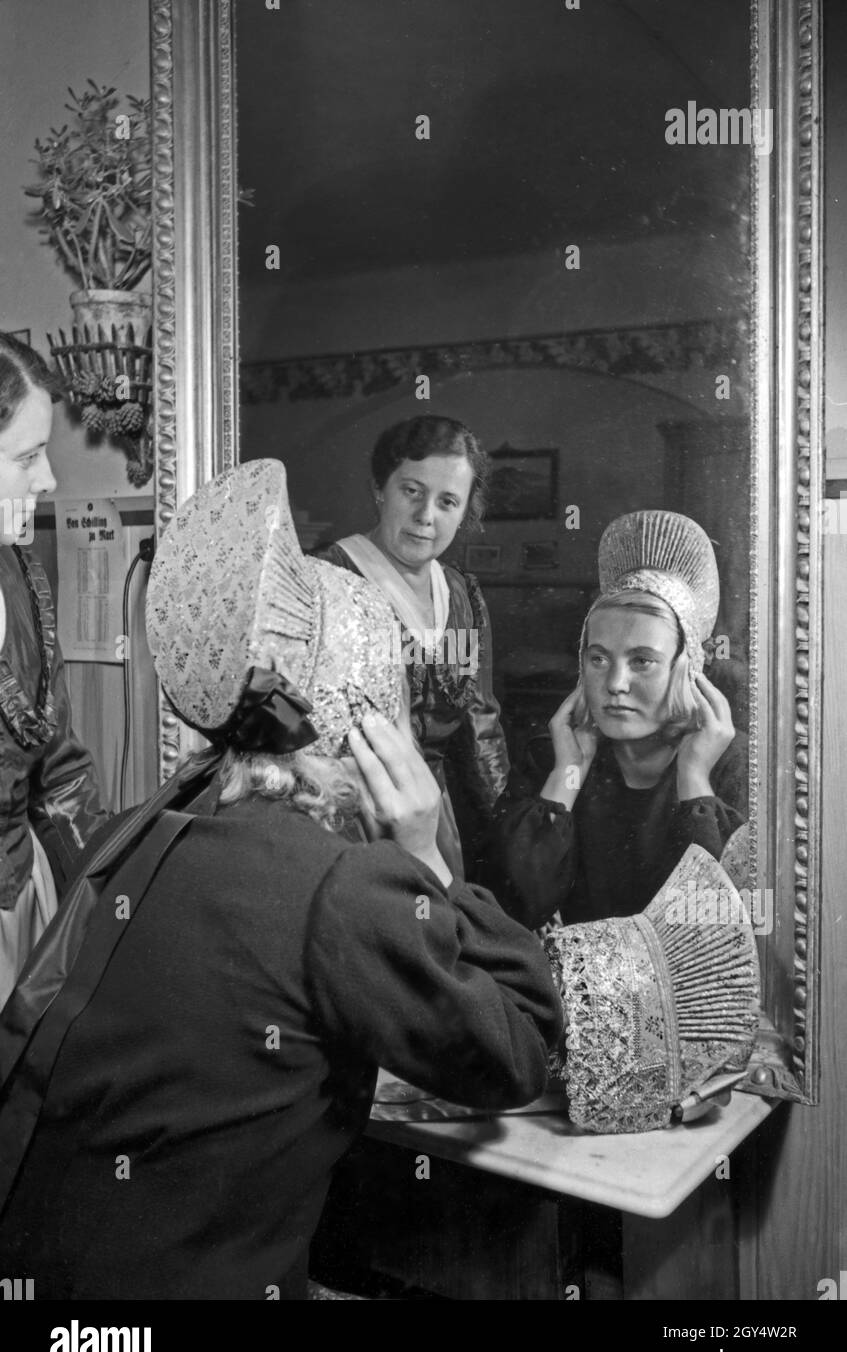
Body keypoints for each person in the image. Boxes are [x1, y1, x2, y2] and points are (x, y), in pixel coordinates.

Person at [0, 457, 562, 1300]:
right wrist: (430, 862)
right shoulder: (344, 887)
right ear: (369, 731)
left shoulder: (142, 824)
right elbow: (518, 1051)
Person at [486, 510, 747, 930]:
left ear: (687, 669)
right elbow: (512, 913)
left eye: (642, 660)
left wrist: (694, 776)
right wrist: (566, 777)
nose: (615, 684)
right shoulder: (550, 758)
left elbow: (720, 935)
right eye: (599, 658)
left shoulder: (735, 764)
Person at [317, 414, 509, 880]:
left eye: (447, 501)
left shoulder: (460, 596)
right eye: (412, 491)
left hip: (437, 818)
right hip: (349, 819)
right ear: (380, 489)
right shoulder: (329, 577)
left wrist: (506, 833)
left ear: (465, 512)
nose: (426, 516)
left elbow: (479, 725)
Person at [0, 331, 107, 1009]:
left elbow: (58, 768)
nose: (49, 480)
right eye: (28, 457)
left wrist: (106, 894)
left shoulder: (17, 569)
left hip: (24, 897)